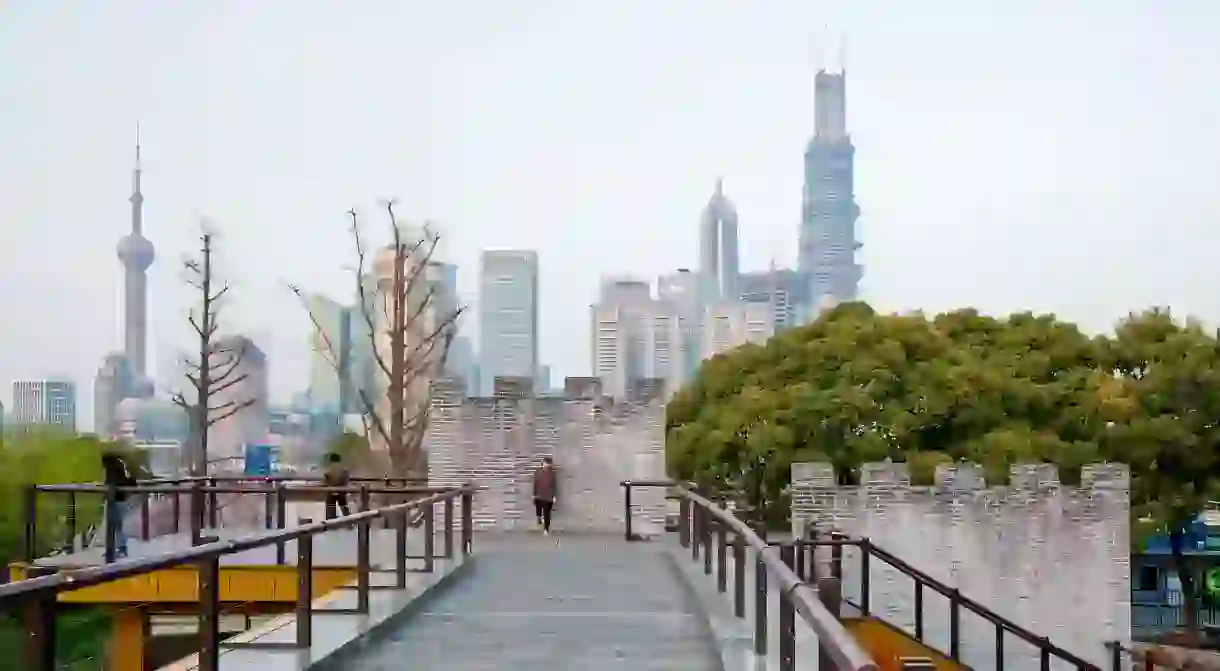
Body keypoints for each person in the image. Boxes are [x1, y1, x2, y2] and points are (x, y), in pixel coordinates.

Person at [101, 453, 135, 558]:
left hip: (116, 498)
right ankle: (118, 548)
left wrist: (106, 492)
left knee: (115, 524)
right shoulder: (119, 465)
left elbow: (114, 481)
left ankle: (118, 548)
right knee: (117, 525)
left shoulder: (113, 467)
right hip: (119, 498)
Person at [532, 456, 557, 534]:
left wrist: (554, 496)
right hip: (539, 494)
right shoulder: (538, 472)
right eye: (544, 463)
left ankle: (546, 529)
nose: (545, 465)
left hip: (548, 496)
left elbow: (554, 485)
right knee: (538, 508)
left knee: (547, 513)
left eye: (546, 463)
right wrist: (534, 494)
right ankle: (539, 517)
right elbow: (535, 483)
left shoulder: (552, 473)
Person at [322, 453, 351, 519]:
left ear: (331, 460)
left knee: (330, 507)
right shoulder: (343, 468)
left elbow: (325, 478)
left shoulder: (329, 468)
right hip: (341, 490)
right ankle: (350, 521)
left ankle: (329, 522)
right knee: (343, 506)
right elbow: (346, 479)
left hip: (331, 490)